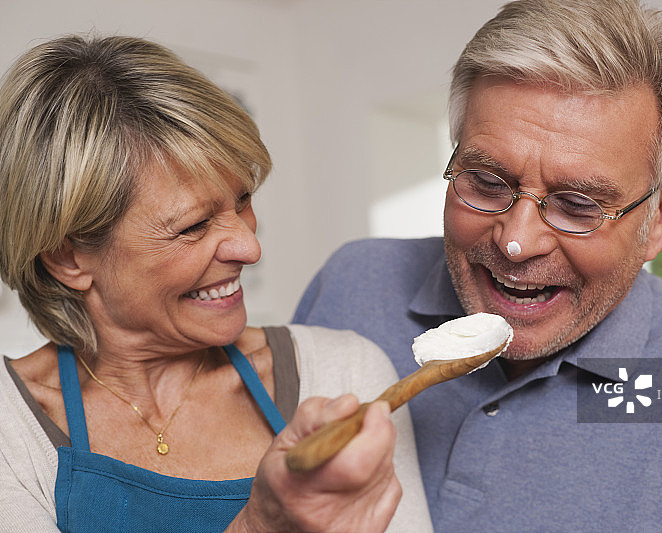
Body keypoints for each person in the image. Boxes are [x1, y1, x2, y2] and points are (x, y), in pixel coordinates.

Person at [293, 0, 662, 531]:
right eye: (485, 182)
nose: (516, 242)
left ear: (659, 219)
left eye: (577, 205)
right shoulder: (350, 284)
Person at [0, 35, 433, 533]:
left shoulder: (342, 374)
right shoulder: (11, 427)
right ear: (68, 257)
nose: (249, 248)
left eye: (243, 201)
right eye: (194, 226)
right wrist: (261, 525)